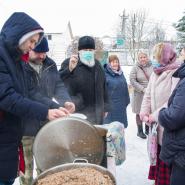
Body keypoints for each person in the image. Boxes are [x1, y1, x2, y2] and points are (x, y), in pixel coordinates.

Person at [0, 12, 68, 185]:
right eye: (32, 41)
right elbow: (7, 97)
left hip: (10, 138)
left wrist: (54, 106)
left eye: (35, 43)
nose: (32, 47)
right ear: (20, 35)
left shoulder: (17, 60)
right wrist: (45, 112)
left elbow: (30, 92)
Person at [19, 37, 75, 185]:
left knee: (46, 167)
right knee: (27, 169)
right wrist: (55, 106)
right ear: (29, 48)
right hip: (26, 125)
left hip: (46, 124)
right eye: (39, 52)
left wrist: (66, 100)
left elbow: (58, 85)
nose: (42, 56)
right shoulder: (20, 66)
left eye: (45, 52)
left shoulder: (49, 64)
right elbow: (31, 94)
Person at [140, 43, 180, 185]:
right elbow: (148, 95)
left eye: (157, 57)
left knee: (166, 158)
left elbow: (172, 100)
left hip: (166, 123)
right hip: (155, 125)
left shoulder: (176, 73)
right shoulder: (156, 71)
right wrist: (143, 112)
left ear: (166, 56)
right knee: (156, 154)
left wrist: (154, 115)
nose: (155, 60)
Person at [59, 36, 110, 125]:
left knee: (95, 136)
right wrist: (69, 69)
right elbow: (58, 83)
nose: (88, 52)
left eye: (90, 50)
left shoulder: (97, 64)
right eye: (85, 50)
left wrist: (105, 107)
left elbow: (104, 86)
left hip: (97, 111)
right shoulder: (70, 62)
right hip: (78, 112)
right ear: (79, 51)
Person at [158, 53, 185, 185]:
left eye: (183, 51)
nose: (180, 54)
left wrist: (161, 114)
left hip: (181, 152)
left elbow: (174, 117)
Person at [129, 51, 153, 139]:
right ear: (138, 59)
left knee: (148, 111)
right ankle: (140, 131)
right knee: (139, 112)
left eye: (144, 57)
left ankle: (147, 129)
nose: (143, 59)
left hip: (150, 93)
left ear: (147, 57)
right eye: (141, 57)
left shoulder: (152, 66)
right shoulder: (135, 67)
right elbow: (132, 80)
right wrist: (142, 89)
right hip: (139, 94)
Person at [103, 54, 130, 128]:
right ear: (109, 63)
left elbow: (125, 87)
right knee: (110, 129)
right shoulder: (105, 74)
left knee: (120, 128)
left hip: (121, 106)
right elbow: (102, 91)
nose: (115, 64)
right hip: (110, 107)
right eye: (113, 62)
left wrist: (127, 100)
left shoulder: (121, 73)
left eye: (116, 62)